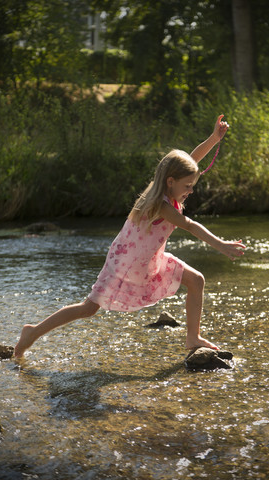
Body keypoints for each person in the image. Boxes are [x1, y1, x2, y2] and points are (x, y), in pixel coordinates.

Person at [14, 115, 246, 358]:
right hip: (124, 263)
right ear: (171, 182)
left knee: (196, 280)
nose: (191, 190)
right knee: (88, 308)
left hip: (148, 260)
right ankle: (32, 332)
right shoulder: (159, 204)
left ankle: (192, 337)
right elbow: (189, 224)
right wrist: (221, 245)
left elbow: (192, 159)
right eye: (188, 186)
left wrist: (214, 138)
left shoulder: (165, 189)